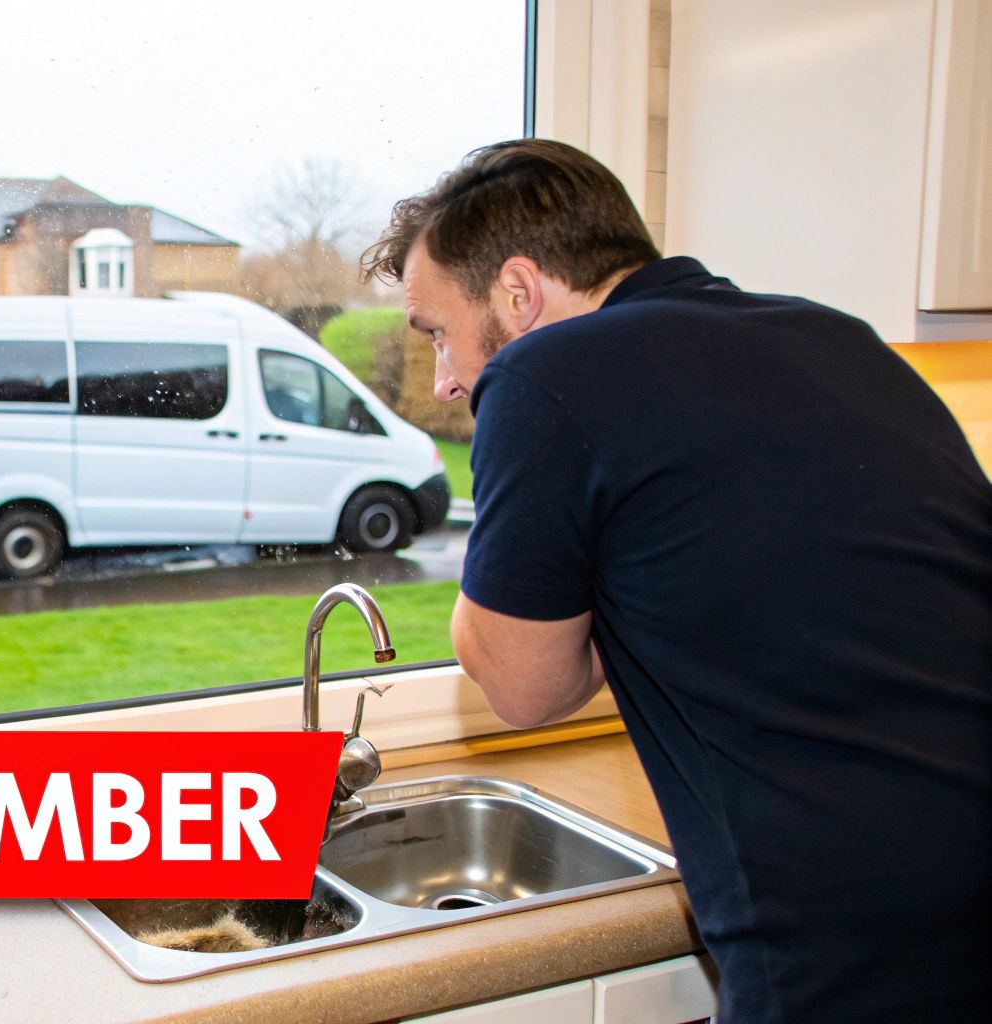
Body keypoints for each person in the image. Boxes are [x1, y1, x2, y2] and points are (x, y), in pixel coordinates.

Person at [361, 139, 992, 1023]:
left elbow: (524, 681)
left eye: (438, 333)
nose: (449, 379)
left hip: (855, 934)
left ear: (518, 291)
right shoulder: (833, 336)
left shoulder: (545, 376)